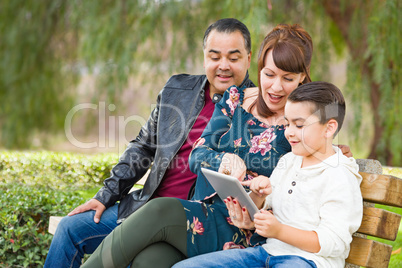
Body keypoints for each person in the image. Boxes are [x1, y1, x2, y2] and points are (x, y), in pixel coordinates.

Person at [80, 23, 343, 268]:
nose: (275, 87)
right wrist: (223, 161)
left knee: (160, 209)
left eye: (287, 78)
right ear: (259, 69)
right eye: (269, 74)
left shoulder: (303, 126)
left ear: (302, 78)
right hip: (200, 213)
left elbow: (310, 179)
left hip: (249, 232)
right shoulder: (235, 99)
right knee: (149, 261)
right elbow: (199, 154)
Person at [44, 18, 256, 268]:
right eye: (214, 56)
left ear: (248, 59)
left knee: (146, 261)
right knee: (70, 229)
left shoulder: (257, 108)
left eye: (233, 58)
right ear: (204, 58)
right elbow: (143, 147)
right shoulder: (178, 90)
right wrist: (106, 195)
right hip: (146, 207)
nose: (223, 66)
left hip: (190, 225)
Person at [172, 81, 363, 268]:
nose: (289, 133)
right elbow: (264, 209)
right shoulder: (289, 162)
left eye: (299, 125)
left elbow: (333, 242)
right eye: (287, 124)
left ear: (329, 128)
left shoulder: (340, 176)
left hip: (308, 261)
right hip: (266, 254)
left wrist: (279, 231)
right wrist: (259, 195)